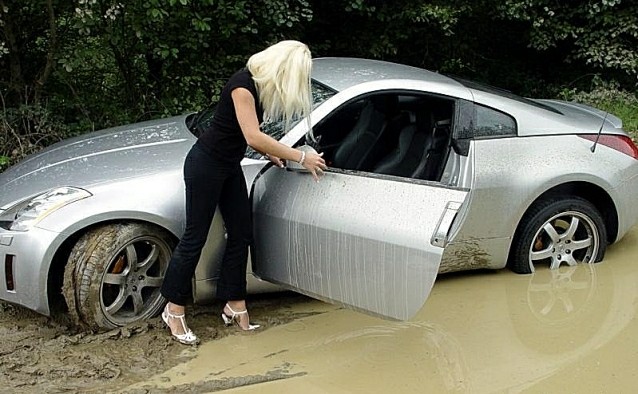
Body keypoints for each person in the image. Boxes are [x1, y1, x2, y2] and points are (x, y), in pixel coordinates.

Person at [159, 40, 327, 345]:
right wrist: (300, 156)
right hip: (206, 165)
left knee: (241, 233)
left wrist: (268, 154)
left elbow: (240, 134)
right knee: (194, 238)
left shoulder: (259, 87)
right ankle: (173, 308)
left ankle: (234, 303)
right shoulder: (242, 85)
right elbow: (253, 134)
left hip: (228, 166)